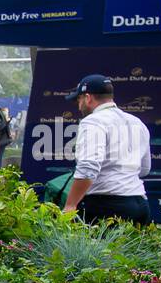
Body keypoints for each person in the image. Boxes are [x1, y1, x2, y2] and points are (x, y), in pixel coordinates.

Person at [62, 73, 152, 225]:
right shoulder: (137, 122)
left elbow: (88, 168)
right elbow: (144, 169)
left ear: (88, 98)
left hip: (107, 207)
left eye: (79, 99)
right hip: (140, 204)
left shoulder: (92, 122)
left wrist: (70, 205)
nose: (78, 106)